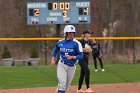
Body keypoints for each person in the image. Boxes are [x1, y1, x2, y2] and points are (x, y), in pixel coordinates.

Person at [51, 25, 83, 93]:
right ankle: (60, 87)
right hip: (62, 65)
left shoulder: (77, 43)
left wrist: (72, 57)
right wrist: (53, 59)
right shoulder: (60, 42)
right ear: (66, 33)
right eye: (70, 32)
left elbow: (81, 56)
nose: (71, 34)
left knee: (66, 87)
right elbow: (55, 50)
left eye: (73, 33)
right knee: (62, 84)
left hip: (72, 67)